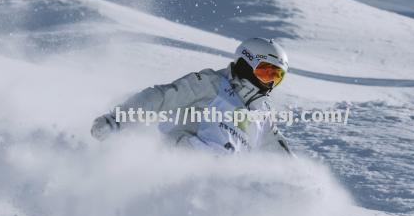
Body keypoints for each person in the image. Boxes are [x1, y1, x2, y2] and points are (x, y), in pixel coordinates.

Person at [91, 37, 293, 155]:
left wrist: (300, 185)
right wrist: (117, 119)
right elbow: (162, 97)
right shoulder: (211, 84)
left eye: (276, 77)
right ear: (246, 64)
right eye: (266, 73)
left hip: (219, 192)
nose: (269, 83)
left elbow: (280, 156)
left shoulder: (262, 118)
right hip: (174, 168)